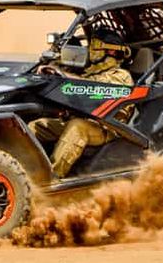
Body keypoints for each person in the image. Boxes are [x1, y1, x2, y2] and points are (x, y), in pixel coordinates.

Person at [30, 28, 134, 178]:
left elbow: (93, 89)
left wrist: (63, 75)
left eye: (95, 46)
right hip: (81, 119)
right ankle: (20, 170)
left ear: (111, 52)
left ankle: (53, 178)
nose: (90, 50)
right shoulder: (89, 71)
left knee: (77, 128)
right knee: (36, 127)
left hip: (106, 127)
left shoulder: (121, 76)